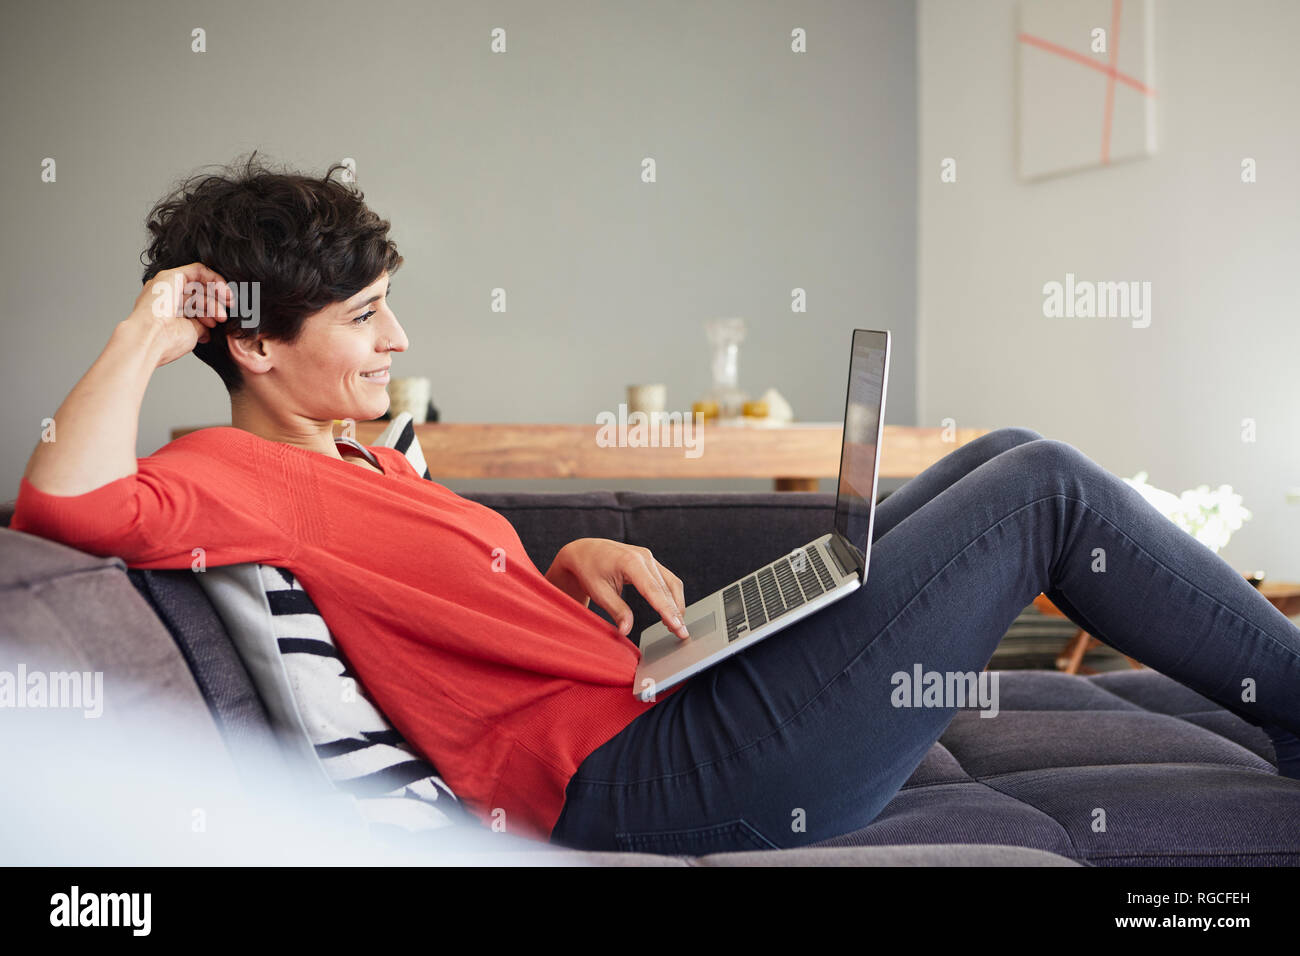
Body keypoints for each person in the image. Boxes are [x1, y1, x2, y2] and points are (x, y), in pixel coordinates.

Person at [10, 155, 1300, 857]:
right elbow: (57, 505)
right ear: (252, 345)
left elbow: (440, 611)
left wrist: (560, 560)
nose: (398, 337)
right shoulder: (225, 478)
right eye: (362, 319)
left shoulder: (365, 458)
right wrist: (146, 325)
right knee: (1046, 491)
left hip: (661, 696)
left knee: (1007, 453)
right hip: (658, 777)